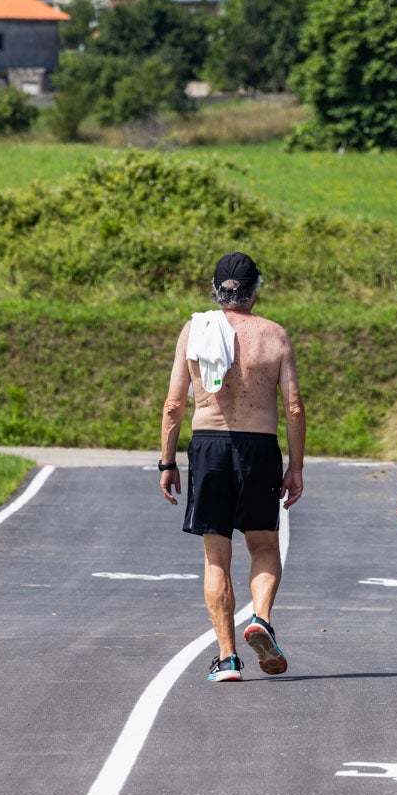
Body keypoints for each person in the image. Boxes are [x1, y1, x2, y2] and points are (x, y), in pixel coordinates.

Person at [160, 251, 305, 683]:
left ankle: (227, 659)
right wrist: (296, 468)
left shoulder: (195, 330)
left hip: (208, 445)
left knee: (215, 557)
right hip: (259, 446)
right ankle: (260, 617)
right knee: (264, 547)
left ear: (215, 289)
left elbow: (172, 405)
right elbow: (294, 408)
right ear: (255, 289)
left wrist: (167, 462)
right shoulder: (273, 335)